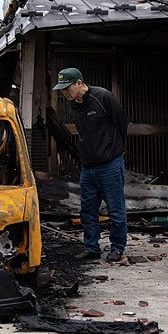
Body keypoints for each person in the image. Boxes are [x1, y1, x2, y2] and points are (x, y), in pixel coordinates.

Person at [53, 67, 128, 262]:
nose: (64, 93)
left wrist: (111, 148)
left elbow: (121, 124)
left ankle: (117, 247)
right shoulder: (73, 105)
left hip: (110, 164)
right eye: (61, 89)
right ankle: (91, 247)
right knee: (87, 210)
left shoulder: (103, 97)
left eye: (66, 88)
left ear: (79, 83)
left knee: (116, 209)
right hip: (88, 167)